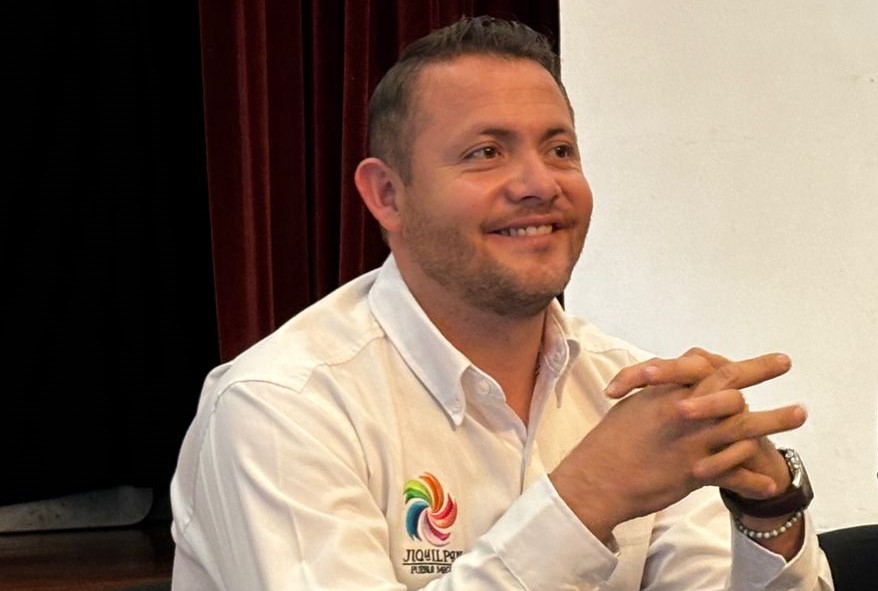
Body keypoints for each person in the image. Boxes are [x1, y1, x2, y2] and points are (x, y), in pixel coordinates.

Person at [169, 15, 834, 590]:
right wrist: (588, 495)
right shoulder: (279, 406)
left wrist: (768, 509)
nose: (539, 184)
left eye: (560, 149)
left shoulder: (625, 389)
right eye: (486, 152)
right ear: (387, 196)